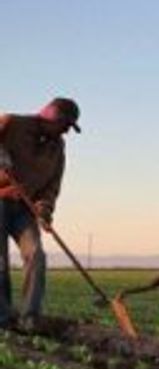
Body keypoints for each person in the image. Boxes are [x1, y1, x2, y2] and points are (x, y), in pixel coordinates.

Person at [0, 97, 80, 330]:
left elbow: (52, 185)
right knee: (1, 262)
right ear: (51, 116)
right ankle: (3, 319)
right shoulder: (13, 123)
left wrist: (44, 208)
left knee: (36, 255)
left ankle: (29, 317)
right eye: (65, 124)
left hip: (25, 207)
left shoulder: (57, 148)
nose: (65, 131)